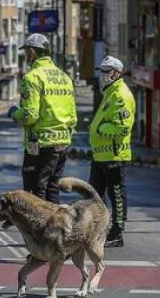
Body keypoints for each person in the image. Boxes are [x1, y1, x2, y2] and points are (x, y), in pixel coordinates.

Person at [7, 33, 78, 204]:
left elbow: (30, 115)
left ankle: (39, 229)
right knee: (52, 188)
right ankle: (56, 227)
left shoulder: (32, 77)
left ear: (32, 52)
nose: (26, 56)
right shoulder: (64, 78)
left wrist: (14, 113)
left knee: (35, 189)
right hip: (62, 143)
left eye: (26, 53)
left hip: (40, 144)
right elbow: (73, 117)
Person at [88, 55, 136, 248]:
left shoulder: (120, 94)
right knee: (94, 195)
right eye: (101, 71)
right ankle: (95, 230)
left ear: (117, 73)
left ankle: (117, 233)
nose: (103, 75)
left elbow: (123, 127)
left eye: (107, 71)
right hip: (100, 155)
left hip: (113, 155)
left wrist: (100, 129)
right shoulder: (110, 92)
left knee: (116, 195)